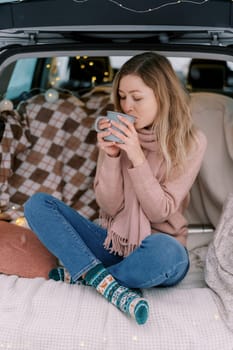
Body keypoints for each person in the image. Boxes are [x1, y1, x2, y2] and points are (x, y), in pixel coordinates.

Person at [24, 52, 207, 325]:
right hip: (114, 244)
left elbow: (160, 212)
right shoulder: (118, 134)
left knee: (166, 253)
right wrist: (110, 157)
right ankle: (104, 280)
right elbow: (109, 207)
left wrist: (137, 157)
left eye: (137, 97)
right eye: (122, 97)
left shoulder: (191, 141)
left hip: (159, 247)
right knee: (37, 205)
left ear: (162, 95)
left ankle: (88, 276)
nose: (127, 106)